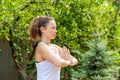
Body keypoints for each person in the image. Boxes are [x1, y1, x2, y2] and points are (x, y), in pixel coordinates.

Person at [29, 16, 78, 80]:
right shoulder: (41, 47)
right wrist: (69, 61)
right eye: (53, 28)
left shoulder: (55, 48)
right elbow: (58, 63)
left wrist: (70, 59)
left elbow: (75, 60)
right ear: (43, 29)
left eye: (55, 28)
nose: (56, 31)